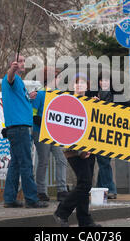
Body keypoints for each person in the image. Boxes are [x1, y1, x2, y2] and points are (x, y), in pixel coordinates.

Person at [53, 73, 101, 227]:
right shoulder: (69, 102)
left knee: (85, 184)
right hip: (74, 151)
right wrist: (81, 151)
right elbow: (69, 129)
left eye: (82, 83)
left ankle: (85, 220)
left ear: (87, 87)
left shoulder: (90, 102)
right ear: (73, 86)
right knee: (85, 183)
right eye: (76, 83)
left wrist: (98, 108)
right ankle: (62, 212)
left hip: (90, 149)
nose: (79, 86)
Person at [1, 53, 48, 209]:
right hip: (19, 128)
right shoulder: (11, 78)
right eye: (19, 61)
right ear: (12, 64)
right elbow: (9, 78)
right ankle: (31, 199)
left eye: (23, 61)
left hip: (17, 127)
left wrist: (29, 96)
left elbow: (18, 97)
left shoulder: (19, 81)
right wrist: (11, 70)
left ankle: (9, 198)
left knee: (15, 164)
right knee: (26, 164)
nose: (22, 63)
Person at [32, 67, 68, 202]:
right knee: (43, 161)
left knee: (61, 159)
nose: (59, 80)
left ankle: (62, 190)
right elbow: (33, 112)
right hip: (40, 131)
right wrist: (38, 119)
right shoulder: (40, 94)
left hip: (55, 133)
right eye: (58, 77)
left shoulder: (59, 94)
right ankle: (40, 191)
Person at [94, 73, 117, 199]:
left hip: (109, 133)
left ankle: (103, 188)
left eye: (107, 80)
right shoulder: (96, 95)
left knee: (104, 162)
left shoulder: (115, 96)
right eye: (102, 80)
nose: (104, 82)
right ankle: (107, 189)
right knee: (104, 161)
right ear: (99, 82)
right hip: (98, 133)